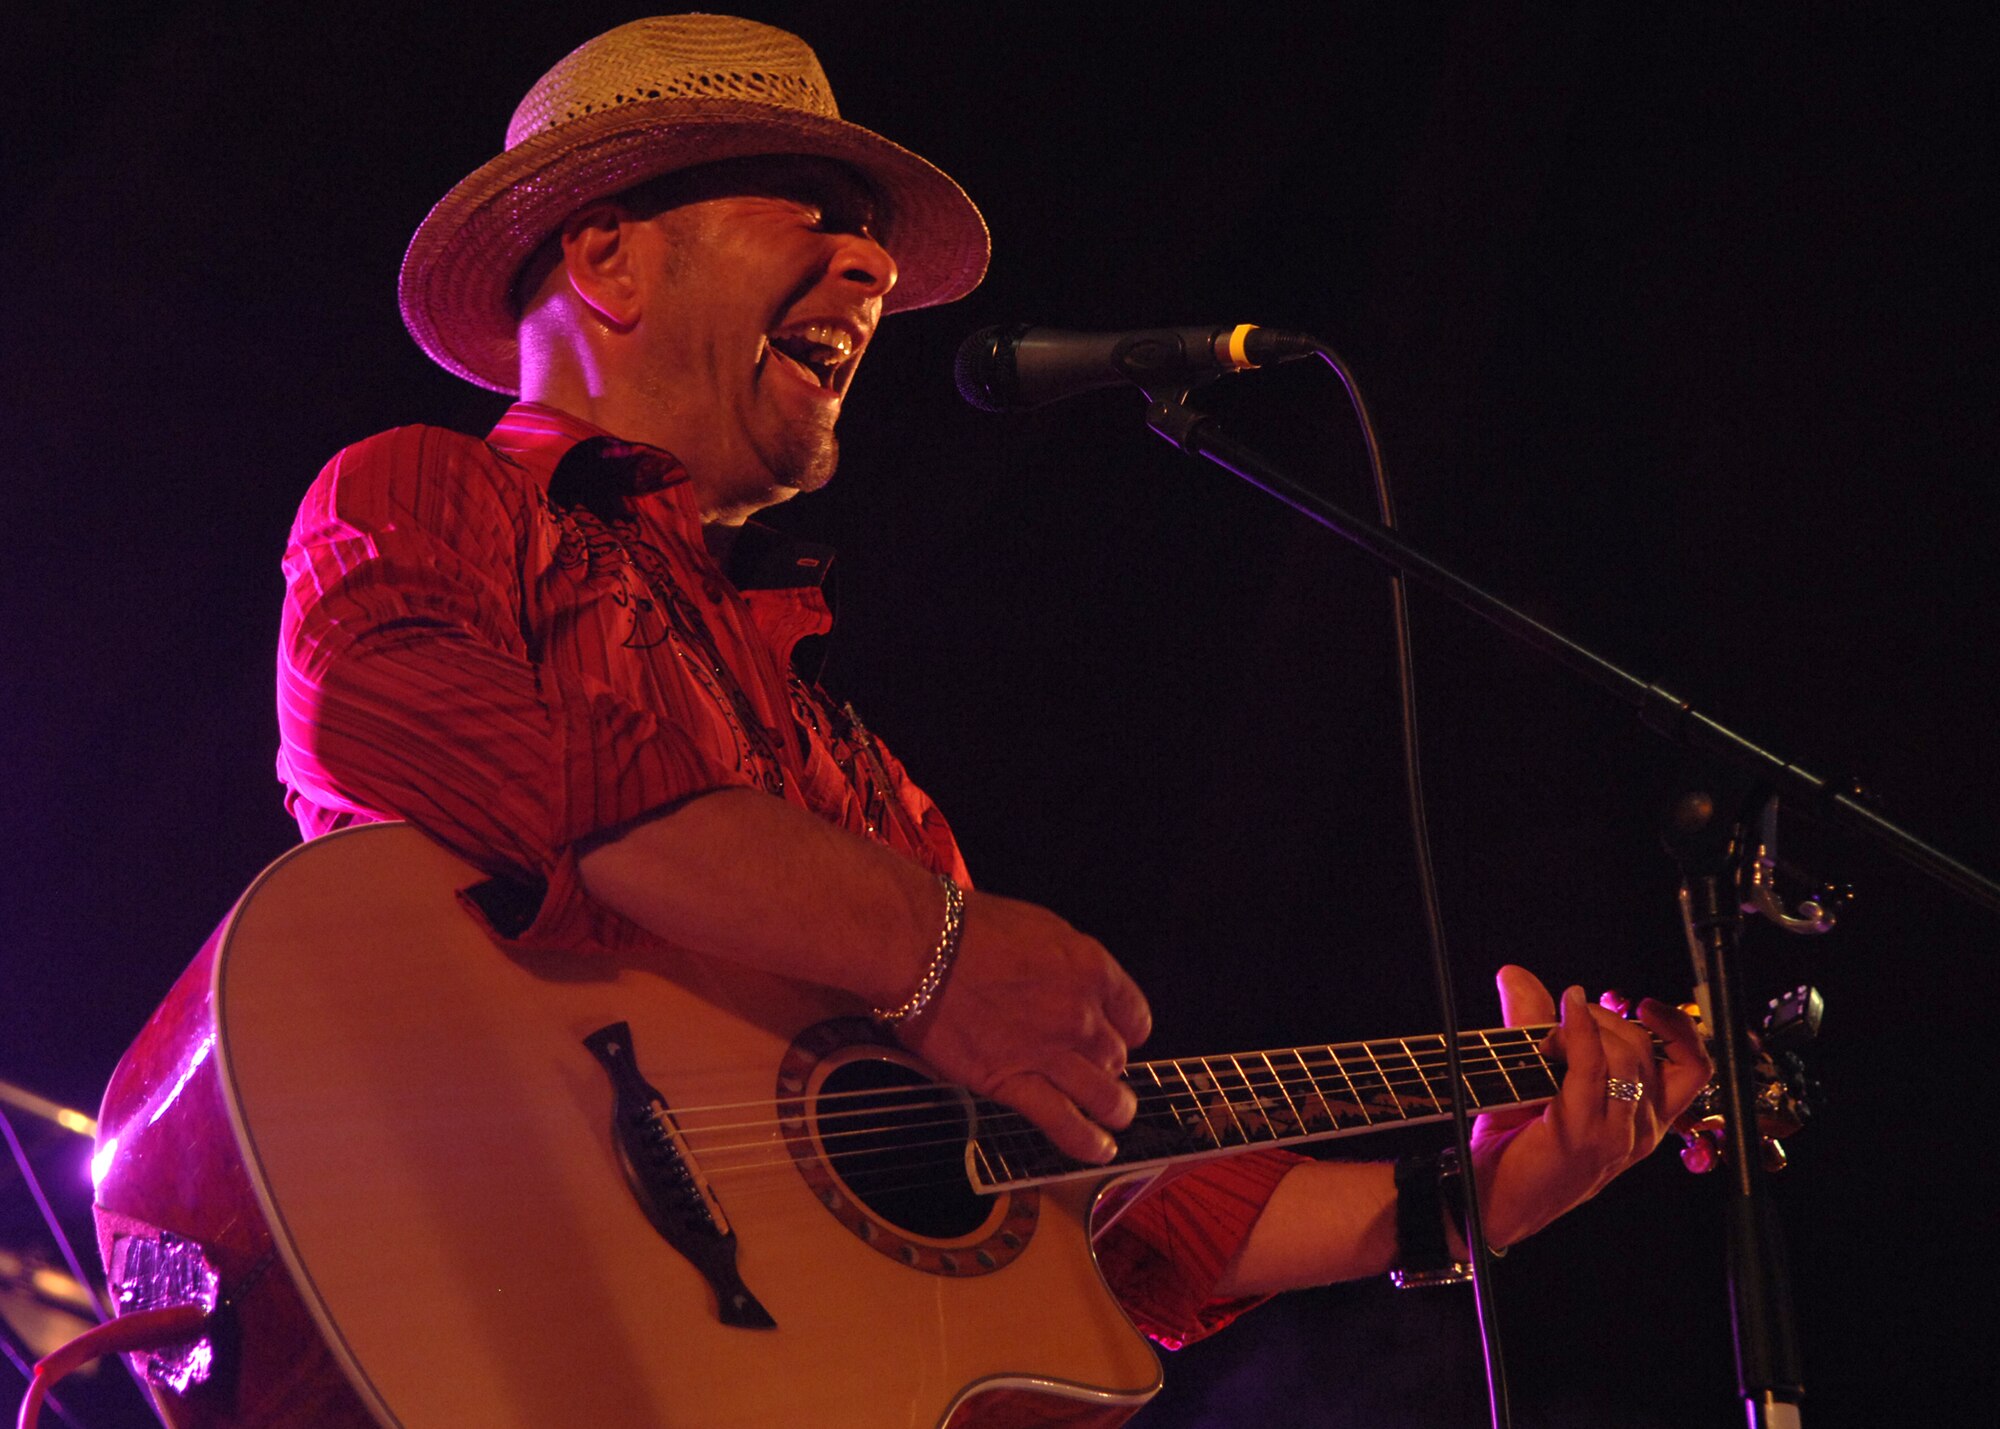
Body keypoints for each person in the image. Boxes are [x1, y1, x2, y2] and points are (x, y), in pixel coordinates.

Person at [275, 12, 1710, 1413]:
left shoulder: (853, 776)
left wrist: (1473, 1197)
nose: (877, 267)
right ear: (605, 255)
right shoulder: (431, 495)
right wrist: (927, 945)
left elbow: (1084, 1190)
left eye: (873, 236)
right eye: (816, 211)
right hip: (483, 1294)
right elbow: (405, 715)